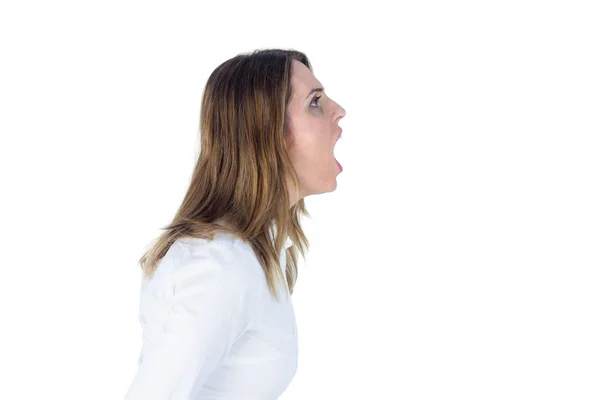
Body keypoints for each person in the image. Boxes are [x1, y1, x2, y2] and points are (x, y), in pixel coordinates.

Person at [124, 48, 346, 399]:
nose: (339, 111)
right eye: (315, 103)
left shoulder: (248, 256)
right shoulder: (221, 266)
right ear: (266, 133)